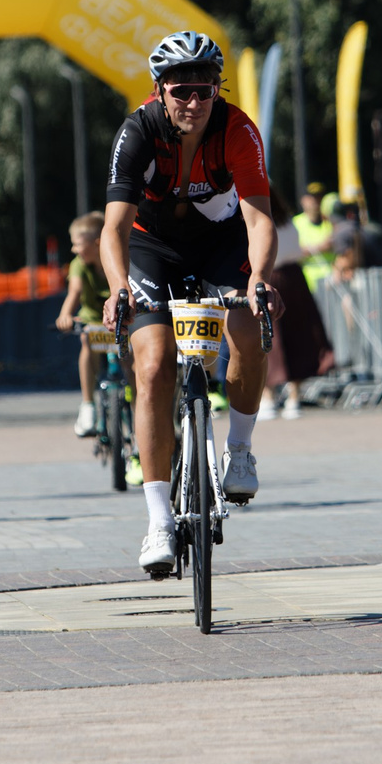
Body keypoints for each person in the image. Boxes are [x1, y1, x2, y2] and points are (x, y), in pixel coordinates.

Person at [101, 30, 278, 577]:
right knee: (152, 366)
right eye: (182, 91)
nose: (194, 103)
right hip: (152, 247)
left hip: (222, 243)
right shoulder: (137, 131)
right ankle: (158, 520)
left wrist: (261, 280)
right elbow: (111, 229)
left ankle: (241, 449)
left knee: (248, 327)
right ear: (160, 91)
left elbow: (258, 218)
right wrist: (116, 287)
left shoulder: (238, 129)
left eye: (205, 90)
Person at [256, 191, 329, 420]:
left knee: (270, 338)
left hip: (271, 278)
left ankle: (270, 398)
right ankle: (292, 398)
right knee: (295, 336)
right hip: (293, 279)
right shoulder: (290, 222)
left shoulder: (261, 221)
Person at [53, 210, 113, 434]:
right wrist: (65, 315)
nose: (74, 250)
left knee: (129, 360)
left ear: (98, 243)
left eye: (78, 244)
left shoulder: (116, 258)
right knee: (87, 340)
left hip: (119, 321)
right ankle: (88, 404)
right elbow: (74, 291)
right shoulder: (78, 264)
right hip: (93, 319)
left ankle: (137, 405)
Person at [294, 184, 337, 291]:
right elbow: (293, 253)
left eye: (319, 197)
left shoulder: (331, 222)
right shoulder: (295, 223)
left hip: (331, 283)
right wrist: (321, 247)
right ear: (303, 200)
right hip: (307, 284)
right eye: (312, 198)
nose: (316, 202)